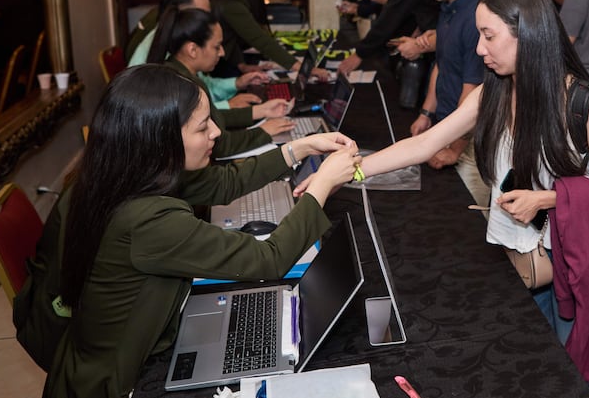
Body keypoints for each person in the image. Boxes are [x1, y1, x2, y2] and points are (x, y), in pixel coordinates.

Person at [297, 0, 589, 397]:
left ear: (526, 33)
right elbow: (424, 144)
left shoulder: (582, 102)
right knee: (534, 358)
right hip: (516, 251)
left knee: (575, 372)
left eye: (489, 36)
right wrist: (346, 172)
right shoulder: (495, 91)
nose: (478, 50)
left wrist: (546, 198)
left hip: (568, 257)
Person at [20, 64, 360, 398]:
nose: (215, 132)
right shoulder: (147, 219)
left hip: (92, 359)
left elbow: (227, 182)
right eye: (202, 127)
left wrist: (298, 148)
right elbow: (267, 259)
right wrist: (324, 184)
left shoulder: (116, 175)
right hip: (114, 383)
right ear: (161, 138)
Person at [404, 0, 488, 209]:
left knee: (470, 232)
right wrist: (427, 112)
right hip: (448, 130)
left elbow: (473, 90)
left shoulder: (478, 15)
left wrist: (454, 147)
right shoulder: (449, 7)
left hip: (468, 144)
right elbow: (442, 62)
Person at [148, 7, 294, 157]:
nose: (222, 53)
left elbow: (213, 116)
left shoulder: (175, 70)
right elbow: (221, 144)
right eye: (216, 47)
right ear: (192, 50)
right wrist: (264, 131)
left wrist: (259, 111)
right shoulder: (186, 86)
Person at [126, 0, 271, 110]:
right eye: (200, 14)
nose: (206, 20)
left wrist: (237, 83)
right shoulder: (164, 47)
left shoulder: (179, 39)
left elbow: (202, 85)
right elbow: (179, 112)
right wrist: (228, 105)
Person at [198, 0, 328, 81]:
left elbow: (230, 35)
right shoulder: (231, 4)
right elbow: (261, 40)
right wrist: (302, 68)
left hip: (212, 60)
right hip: (213, 66)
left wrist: (241, 65)